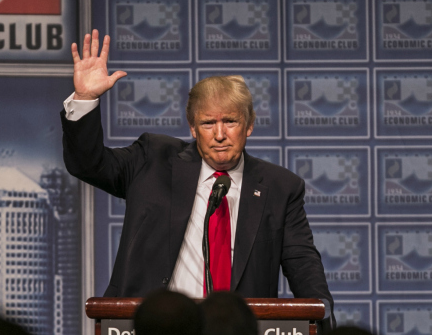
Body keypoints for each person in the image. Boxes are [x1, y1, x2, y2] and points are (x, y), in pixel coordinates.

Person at [61, 30, 332, 316]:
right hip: (152, 334)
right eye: (207, 123)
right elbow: (88, 164)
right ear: (192, 128)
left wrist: (323, 324)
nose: (219, 134)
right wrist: (85, 99)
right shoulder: (152, 159)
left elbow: (302, 264)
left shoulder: (280, 187)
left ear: (249, 125)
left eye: (230, 121)